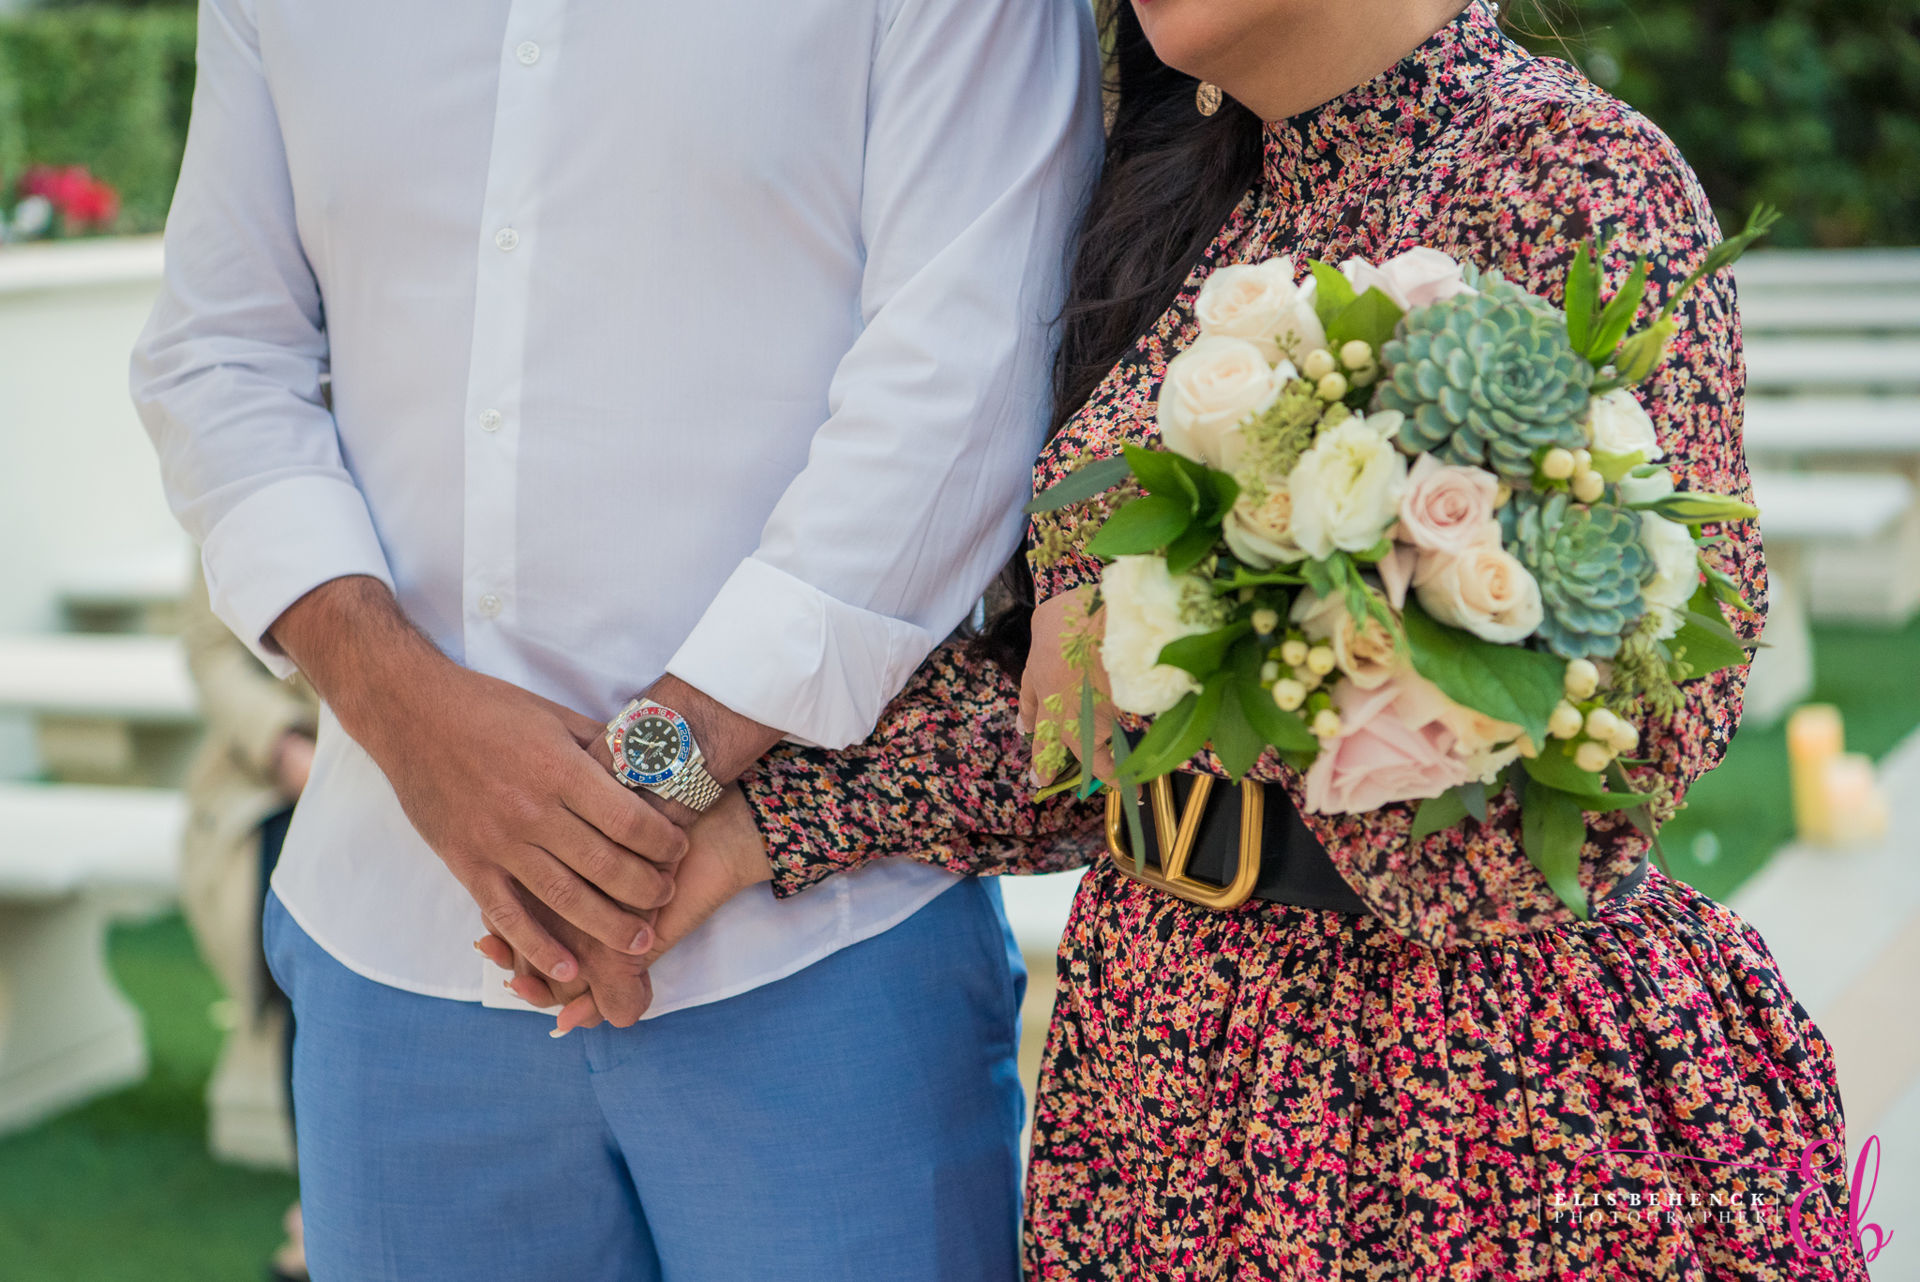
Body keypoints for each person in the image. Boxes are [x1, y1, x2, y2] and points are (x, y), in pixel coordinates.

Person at [497, 2, 1872, 1277]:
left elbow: (1625, 749)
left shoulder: (1570, 171)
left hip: (1481, 1094)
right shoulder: (1179, 213)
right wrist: (726, 824)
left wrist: (1199, 583)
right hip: (1161, 1082)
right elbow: (1070, 727)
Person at [132, 2, 1101, 1278]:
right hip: (392, 945)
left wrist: (639, 797)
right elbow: (219, 352)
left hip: (822, 943)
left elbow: (971, 358)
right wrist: (412, 723)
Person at [179, 563, 315, 1281]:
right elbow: (208, 647)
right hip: (283, 779)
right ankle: (323, 1204)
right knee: (305, 942)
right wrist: (289, 751)